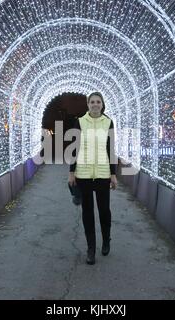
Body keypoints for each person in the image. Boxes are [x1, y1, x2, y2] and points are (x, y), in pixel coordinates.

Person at [68, 92, 118, 265]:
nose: (95, 104)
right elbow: (74, 148)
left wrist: (113, 174)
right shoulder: (80, 122)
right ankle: (91, 249)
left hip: (103, 174)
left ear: (102, 104)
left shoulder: (108, 122)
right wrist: (71, 172)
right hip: (83, 174)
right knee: (87, 212)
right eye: (92, 102)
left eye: (98, 102)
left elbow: (111, 149)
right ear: (88, 104)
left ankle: (106, 239)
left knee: (104, 211)